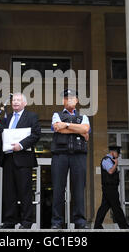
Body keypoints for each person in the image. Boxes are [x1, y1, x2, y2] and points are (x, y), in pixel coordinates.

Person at [0, 93, 41, 229]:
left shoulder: (31, 116)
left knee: (24, 192)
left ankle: (26, 222)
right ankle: (9, 222)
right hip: (8, 159)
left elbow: (36, 134)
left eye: (18, 100)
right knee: (9, 192)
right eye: (13, 100)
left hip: (24, 160)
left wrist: (21, 145)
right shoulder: (6, 118)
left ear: (24, 103)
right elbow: (0, 137)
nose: (15, 102)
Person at [50, 89, 90, 229]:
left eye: (72, 98)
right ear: (63, 101)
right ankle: (57, 222)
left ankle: (80, 222)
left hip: (78, 155)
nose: (69, 100)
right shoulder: (56, 115)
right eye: (66, 98)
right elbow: (57, 128)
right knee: (58, 189)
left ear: (77, 101)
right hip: (60, 155)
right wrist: (77, 129)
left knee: (78, 189)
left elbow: (85, 129)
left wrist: (66, 125)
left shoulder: (84, 116)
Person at [94, 146, 129, 229]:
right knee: (116, 207)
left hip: (111, 188)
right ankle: (124, 226)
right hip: (109, 188)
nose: (118, 156)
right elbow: (110, 171)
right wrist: (116, 164)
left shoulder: (109, 160)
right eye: (117, 153)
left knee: (104, 207)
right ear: (113, 152)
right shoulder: (106, 160)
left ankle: (97, 225)